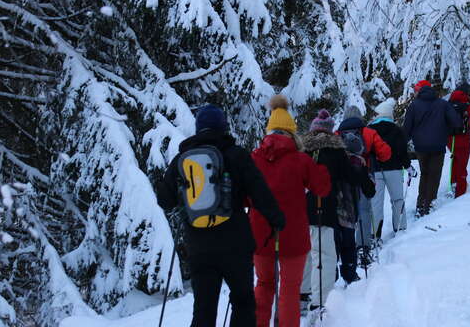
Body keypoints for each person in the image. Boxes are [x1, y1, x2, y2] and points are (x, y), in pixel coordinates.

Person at [156, 105, 285, 327]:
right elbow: (259, 192)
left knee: (204, 309)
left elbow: (164, 200)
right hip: (235, 242)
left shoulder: (182, 159)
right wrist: (276, 220)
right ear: (223, 127)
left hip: (198, 245)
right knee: (243, 302)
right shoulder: (237, 155)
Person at [249, 95, 331, 327]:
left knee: (263, 285)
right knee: (289, 289)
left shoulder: (254, 158)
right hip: (293, 233)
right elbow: (322, 188)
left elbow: (244, 196)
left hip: (260, 233)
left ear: (269, 132)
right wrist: (321, 168)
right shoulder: (301, 160)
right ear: (291, 132)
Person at [300, 109, 375, 318]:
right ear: (330, 130)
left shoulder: (302, 151)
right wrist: (362, 174)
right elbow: (350, 177)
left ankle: (302, 297)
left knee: (308, 255)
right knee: (325, 255)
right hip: (326, 208)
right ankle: (320, 302)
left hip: (302, 210)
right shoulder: (336, 152)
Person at [336, 105, 391, 266]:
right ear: (360, 118)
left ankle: (345, 247)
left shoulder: (337, 135)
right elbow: (386, 154)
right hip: (363, 175)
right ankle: (363, 246)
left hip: (343, 179)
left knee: (344, 213)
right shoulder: (369, 132)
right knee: (364, 210)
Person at [403, 80, 462, 217]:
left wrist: (402, 144)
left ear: (420, 90)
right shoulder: (442, 104)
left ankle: (420, 205)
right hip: (438, 145)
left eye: (416, 89)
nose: (415, 92)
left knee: (425, 174)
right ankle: (428, 205)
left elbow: (407, 129)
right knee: (434, 176)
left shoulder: (414, 105)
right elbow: (456, 122)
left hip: (421, 146)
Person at [367, 98, 414, 236]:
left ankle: (375, 235)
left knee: (376, 203)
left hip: (375, 170)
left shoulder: (370, 130)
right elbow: (402, 152)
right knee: (397, 199)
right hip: (394, 169)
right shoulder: (397, 130)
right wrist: (408, 166)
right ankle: (400, 228)